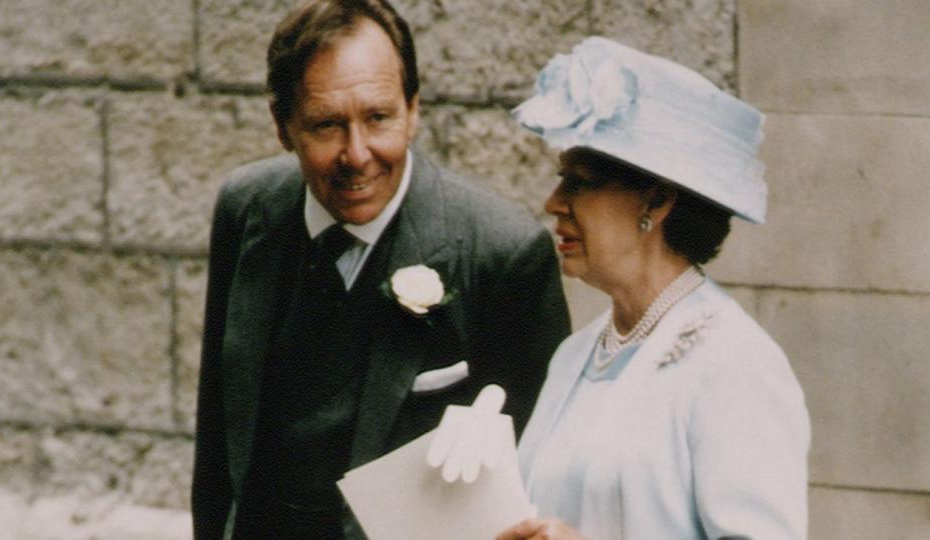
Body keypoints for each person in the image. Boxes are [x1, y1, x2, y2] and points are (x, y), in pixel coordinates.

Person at [190, 1, 571, 538]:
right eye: (326, 126)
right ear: (283, 127)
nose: (357, 154)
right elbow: (218, 439)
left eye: (378, 118)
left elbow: (534, 482)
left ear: (413, 110)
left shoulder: (504, 254)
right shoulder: (246, 208)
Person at [495, 38, 811, 539]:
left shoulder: (735, 365)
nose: (554, 203)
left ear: (657, 201)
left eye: (580, 181)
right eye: (562, 180)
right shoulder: (576, 355)